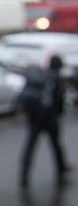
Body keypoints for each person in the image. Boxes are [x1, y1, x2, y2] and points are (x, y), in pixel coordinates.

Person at [20, 55, 69, 188]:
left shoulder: (40, 75)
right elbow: (59, 100)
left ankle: (24, 175)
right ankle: (61, 172)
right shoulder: (56, 79)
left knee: (30, 147)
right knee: (56, 146)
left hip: (34, 118)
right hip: (50, 119)